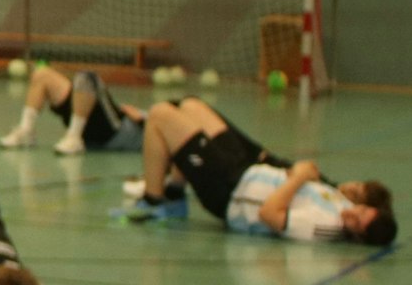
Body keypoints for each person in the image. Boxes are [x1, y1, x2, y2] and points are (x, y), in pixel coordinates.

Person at [111, 97, 397, 245]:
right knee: (191, 106)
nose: (352, 211)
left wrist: (298, 176)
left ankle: (153, 201)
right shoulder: (344, 206)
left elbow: (269, 215)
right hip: (246, 170)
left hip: (229, 191)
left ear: (356, 237)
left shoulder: (324, 227)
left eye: (357, 220)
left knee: (160, 114)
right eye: (360, 209)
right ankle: (174, 190)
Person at [0, 63, 145, 155]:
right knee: (42, 75)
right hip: (107, 122)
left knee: (87, 78)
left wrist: (144, 118)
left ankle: (74, 137)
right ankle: (26, 131)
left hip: (115, 132)